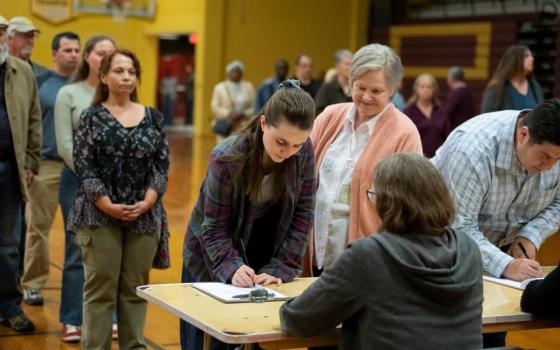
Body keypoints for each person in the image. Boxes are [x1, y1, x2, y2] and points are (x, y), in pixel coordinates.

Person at [280, 153, 483, 350]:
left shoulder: (369, 255)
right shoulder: (468, 249)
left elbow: (298, 319)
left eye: (373, 196)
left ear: (387, 203)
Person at [181, 80, 316, 350]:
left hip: (262, 247)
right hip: (209, 255)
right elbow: (214, 228)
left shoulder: (304, 152)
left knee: (258, 339)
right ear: (264, 122)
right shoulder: (226, 156)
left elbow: (303, 217)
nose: (287, 152)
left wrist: (281, 267)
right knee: (208, 340)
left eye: (296, 145)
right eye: (281, 142)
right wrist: (231, 267)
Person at [432, 99, 560, 347]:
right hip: (444, 251)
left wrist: (530, 235)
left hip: (501, 247)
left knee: (495, 332)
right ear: (523, 134)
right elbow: (459, 227)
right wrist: (507, 264)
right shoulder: (472, 150)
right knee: (455, 335)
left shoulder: (554, 152)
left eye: (557, 160)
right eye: (544, 157)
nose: (549, 168)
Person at [66, 48, 169, 349]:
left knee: (135, 290)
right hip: (98, 215)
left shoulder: (153, 117)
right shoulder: (91, 117)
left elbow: (161, 166)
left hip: (144, 215)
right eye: (119, 71)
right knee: (100, 289)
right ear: (103, 77)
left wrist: (149, 200)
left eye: (131, 71)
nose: (126, 77)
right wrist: (106, 204)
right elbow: (85, 166)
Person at [309, 43, 422, 275]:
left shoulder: (405, 133)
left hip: (366, 263)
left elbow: (410, 209)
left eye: (377, 91)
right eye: (360, 87)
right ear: (350, 82)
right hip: (312, 252)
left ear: (392, 90)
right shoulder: (330, 117)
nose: (366, 97)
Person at [54, 34, 116, 342]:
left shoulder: (119, 93)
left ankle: (109, 316)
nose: (106, 58)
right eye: (100, 52)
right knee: (77, 251)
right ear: (88, 58)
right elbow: (66, 144)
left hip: (114, 185)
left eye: (111, 53)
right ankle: (71, 318)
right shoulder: (69, 94)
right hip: (76, 181)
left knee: (110, 252)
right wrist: (93, 179)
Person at [20, 31, 80, 308]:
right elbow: (27, 121)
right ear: (55, 53)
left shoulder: (84, 86)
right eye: (67, 50)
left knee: (78, 232)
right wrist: (28, 161)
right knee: (37, 229)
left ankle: (80, 287)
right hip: (44, 165)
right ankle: (32, 285)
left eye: (77, 50)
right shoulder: (40, 81)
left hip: (75, 170)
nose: (73, 55)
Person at [0, 14, 42, 332]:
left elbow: (33, 119)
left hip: (9, 168)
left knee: (9, 244)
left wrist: (30, 162)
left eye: (2, 32)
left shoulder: (22, 71)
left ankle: (10, 306)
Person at [481, 44, 544, 113]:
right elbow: (487, 116)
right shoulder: (497, 88)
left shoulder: (535, 87)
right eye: (526, 56)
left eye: (531, 56)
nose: (532, 59)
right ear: (514, 60)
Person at [211, 60, 255, 143]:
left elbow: (255, 106)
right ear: (228, 73)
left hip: (244, 124)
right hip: (226, 124)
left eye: (238, 71)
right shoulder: (220, 87)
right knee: (224, 149)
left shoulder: (248, 87)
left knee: (241, 149)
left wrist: (244, 113)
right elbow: (215, 106)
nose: (236, 74)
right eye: (233, 71)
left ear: (242, 73)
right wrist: (228, 114)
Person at [404, 73, 446, 157]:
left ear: (434, 89)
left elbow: (445, 137)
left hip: (437, 159)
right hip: (416, 159)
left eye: (429, 87)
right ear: (416, 89)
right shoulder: (408, 111)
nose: (425, 90)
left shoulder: (440, 111)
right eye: (422, 87)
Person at [7, 16, 48, 82]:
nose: (31, 42)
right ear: (9, 39)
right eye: (26, 36)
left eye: (32, 36)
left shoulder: (43, 73)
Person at [314, 49, 353, 115]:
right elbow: (318, 111)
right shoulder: (327, 88)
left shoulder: (356, 87)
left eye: (353, 64)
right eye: (347, 64)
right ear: (337, 66)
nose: (351, 67)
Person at [442, 66, 475, 134]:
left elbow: (446, 114)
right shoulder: (468, 92)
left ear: (451, 78)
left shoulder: (456, 93)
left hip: (458, 132)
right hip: (468, 130)